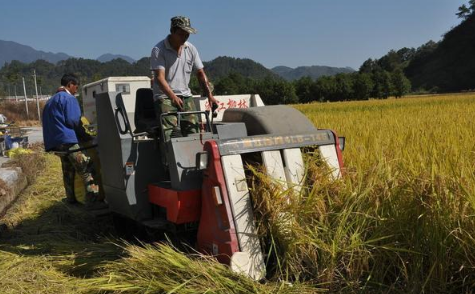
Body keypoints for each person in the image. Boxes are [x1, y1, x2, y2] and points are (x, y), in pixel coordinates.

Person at [42, 73, 106, 210]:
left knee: (68, 171)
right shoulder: (68, 99)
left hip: (56, 144)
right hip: (69, 142)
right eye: (76, 87)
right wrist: (86, 137)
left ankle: (71, 200)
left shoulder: (50, 101)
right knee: (87, 169)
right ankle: (93, 202)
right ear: (70, 84)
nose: (76, 90)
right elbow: (74, 122)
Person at [150, 16, 218, 141]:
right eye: (181, 34)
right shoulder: (159, 50)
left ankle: (195, 159)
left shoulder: (190, 49)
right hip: (165, 97)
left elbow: (200, 73)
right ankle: (169, 158)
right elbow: (159, 78)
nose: (185, 37)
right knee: (171, 135)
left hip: (186, 95)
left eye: (187, 34)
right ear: (172, 31)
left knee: (194, 132)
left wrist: (210, 95)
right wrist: (173, 97)